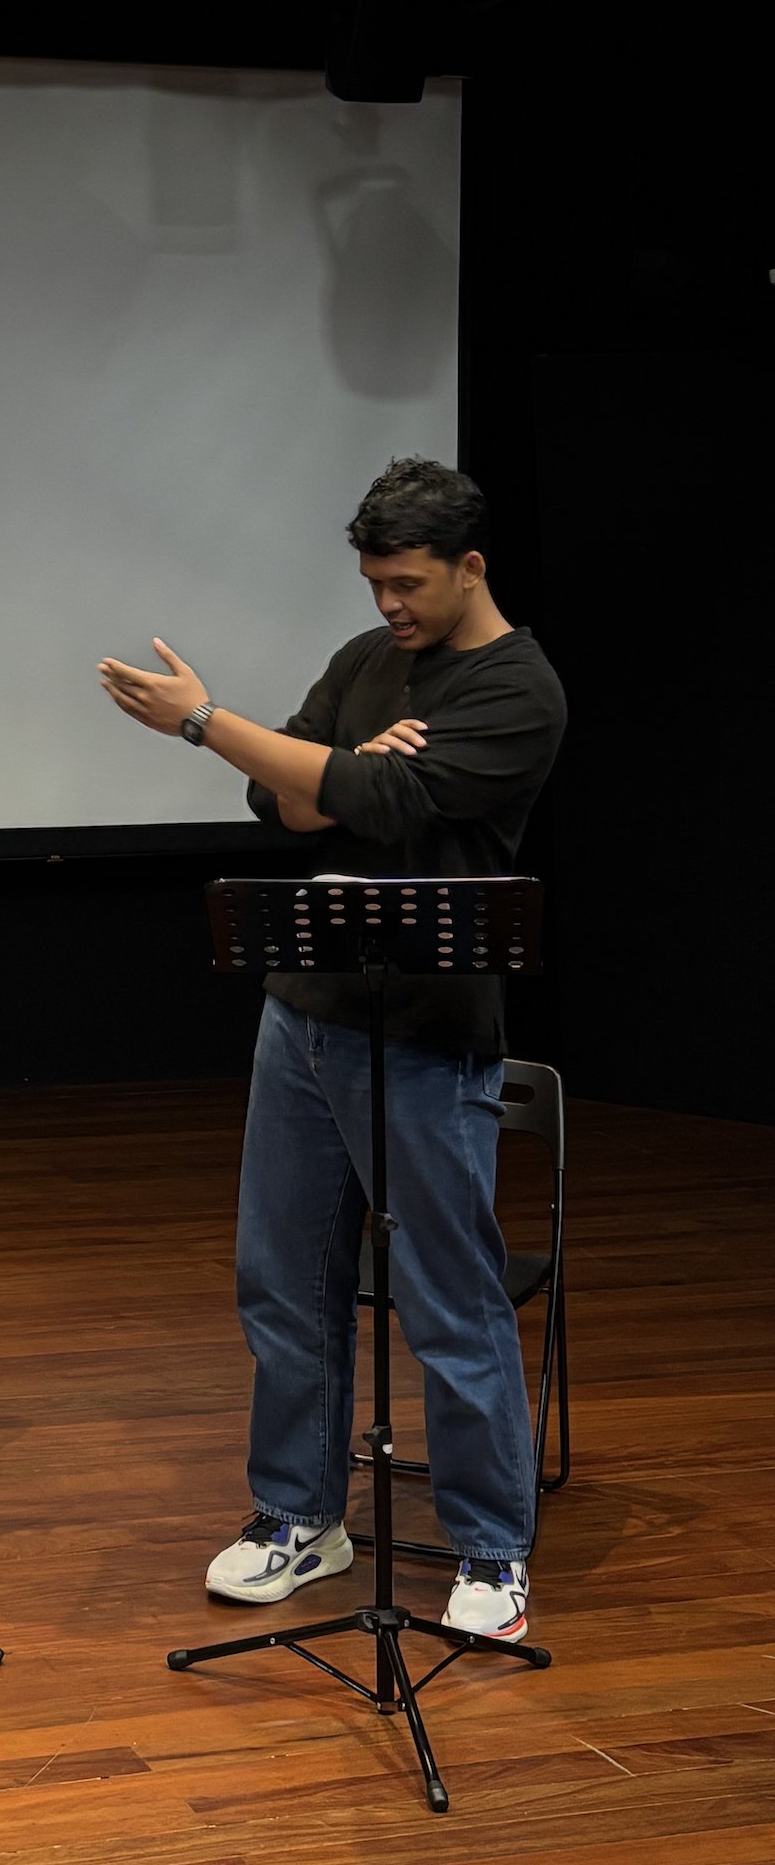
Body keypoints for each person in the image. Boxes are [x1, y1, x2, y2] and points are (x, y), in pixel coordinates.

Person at [98, 458, 566, 1646]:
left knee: (447, 1297)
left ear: (468, 566)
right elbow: (294, 800)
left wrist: (215, 725)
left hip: (425, 1031)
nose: (385, 608)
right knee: (284, 1283)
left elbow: (385, 803)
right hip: (303, 1013)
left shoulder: (518, 689)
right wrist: (337, 775)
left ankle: (490, 1549)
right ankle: (300, 1516)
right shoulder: (368, 666)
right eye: (371, 585)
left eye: (406, 585)